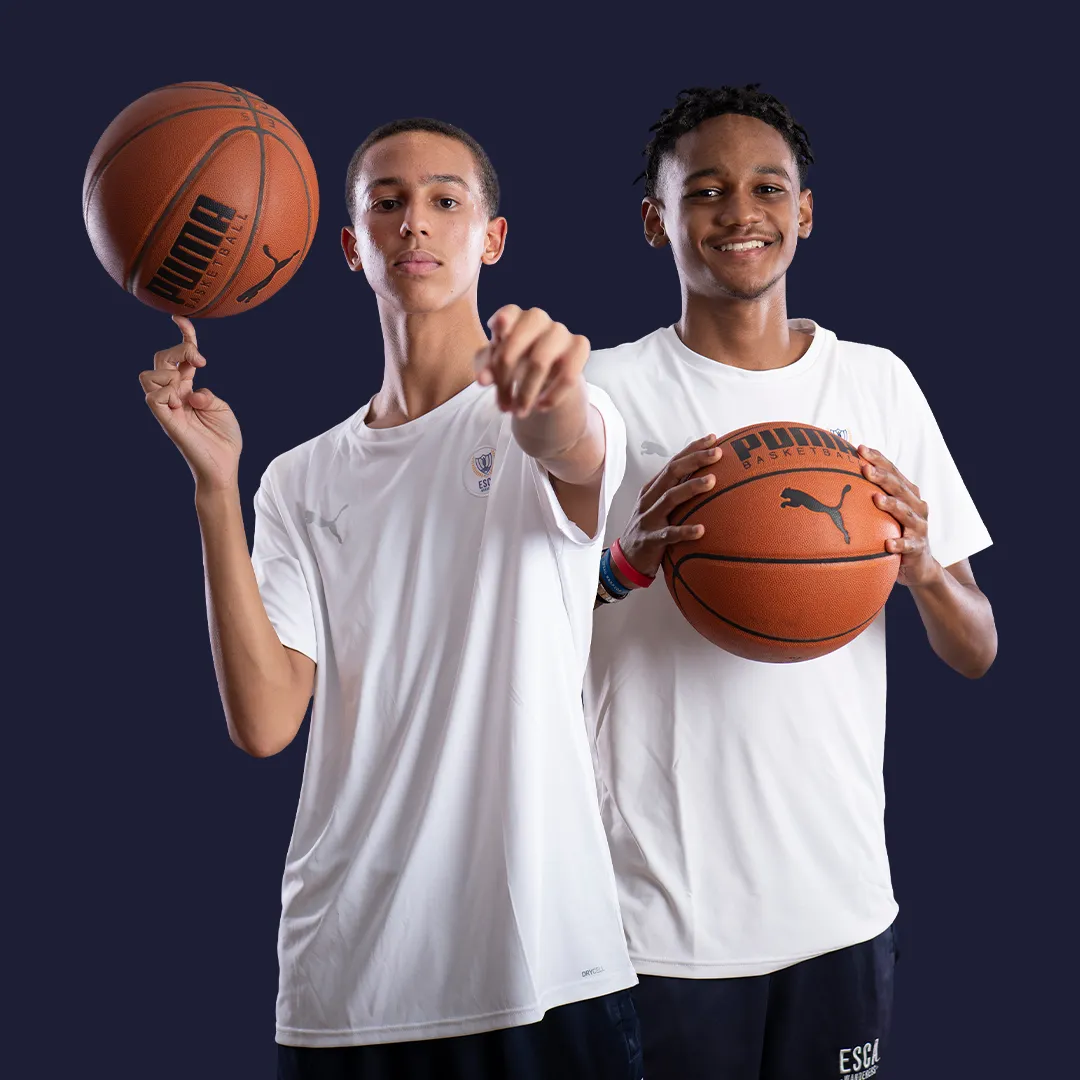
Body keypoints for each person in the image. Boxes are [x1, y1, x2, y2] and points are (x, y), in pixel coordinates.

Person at [138, 117, 642, 1080]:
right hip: (346, 980)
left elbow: (572, 448)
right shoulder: (295, 479)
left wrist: (555, 404)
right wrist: (216, 490)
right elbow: (265, 720)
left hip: (541, 969)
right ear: (350, 245)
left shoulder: (549, 408)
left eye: (447, 201)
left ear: (491, 239)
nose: (417, 223)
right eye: (388, 202)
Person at [584, 85, 997, 1080]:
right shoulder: (598, 395)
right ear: (656, 221)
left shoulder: (877, 384)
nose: (741, 211)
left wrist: (922, 571)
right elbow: (514, 639)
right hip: (654, 921)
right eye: (707, 190)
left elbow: (978, 646)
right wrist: (626, 559)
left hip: (841, 906)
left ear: (804, 212)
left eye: (769, 187)